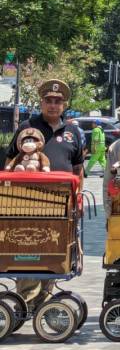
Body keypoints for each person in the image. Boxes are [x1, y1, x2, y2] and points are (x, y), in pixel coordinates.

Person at [4, 79, 84, 309]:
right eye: (49, 101)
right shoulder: (28, 127)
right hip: (29, 203)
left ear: (64, 104)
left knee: (54, 252)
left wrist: (78, 198)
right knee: (29, 249)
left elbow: (78, 168)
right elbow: (11, 160)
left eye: (58, 101)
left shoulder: (73, 132)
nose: (53, 105)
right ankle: (25, 302)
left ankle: (45, 302)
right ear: (42, 102)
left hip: (62, 204)